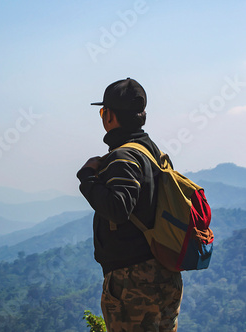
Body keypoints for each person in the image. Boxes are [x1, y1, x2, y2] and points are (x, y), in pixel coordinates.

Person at [76, 78, 183, 332]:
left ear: (110, 116)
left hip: (133, 281)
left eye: (103, 112)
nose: (103, 118)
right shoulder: (152, 152)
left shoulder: (123, 156)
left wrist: (87, 178)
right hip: (165, 272)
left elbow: (118, 208)